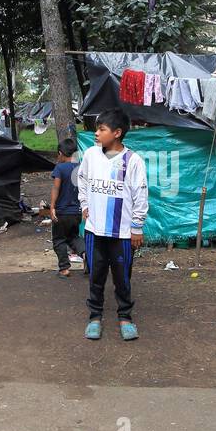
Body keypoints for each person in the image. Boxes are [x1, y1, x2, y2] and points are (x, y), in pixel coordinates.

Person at [77, 109, 148, 341]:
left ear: (117, 133)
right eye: (96, 128)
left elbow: (140, 194)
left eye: (101, 129)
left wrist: (137, 226)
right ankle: (95, 317)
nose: (96, 133)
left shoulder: (133, 161)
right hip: (94, 230)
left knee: (122, 276)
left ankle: (125, 317)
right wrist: (84, 204)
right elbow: (83, 180)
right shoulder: (90, 155)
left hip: (122, 232)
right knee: (96, 274)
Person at [49, 139, 86, 278]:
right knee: (74, 237)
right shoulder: (80, 167)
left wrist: (52, 206)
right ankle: (85, 254)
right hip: (76, 212)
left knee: (59, 239)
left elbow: (56, 187)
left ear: (60, 153)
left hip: (62, 212)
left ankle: (64, 269)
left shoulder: (60, 168)